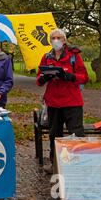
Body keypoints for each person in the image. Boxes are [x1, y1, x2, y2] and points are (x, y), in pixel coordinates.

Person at [36, 28, 89, 174]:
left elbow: (84, 77)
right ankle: (55, 164)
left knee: (76, 133)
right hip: (53, 102)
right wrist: (44, 77)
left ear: (64, 40)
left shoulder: (74, 56)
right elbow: (38, 81)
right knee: (54, 134)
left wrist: (71, 77)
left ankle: (79, 164)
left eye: (59, 38)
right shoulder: (46, 57)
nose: (56, 40)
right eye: (53, 38)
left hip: (72, 102)